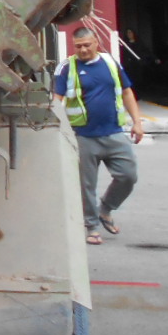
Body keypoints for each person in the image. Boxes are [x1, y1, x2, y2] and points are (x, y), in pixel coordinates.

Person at [53, 27, 144, 245]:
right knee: (86, 186)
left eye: (87, 45)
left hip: (114, 133)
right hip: (83, 137)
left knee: (128, 176)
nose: (83, 50)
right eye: (78, 46)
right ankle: (92, 227)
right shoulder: (66, 68)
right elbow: (56, 99)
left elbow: (126, 92)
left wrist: (137, 122)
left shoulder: (110, 63)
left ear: (96, 43)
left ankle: (106, 209)